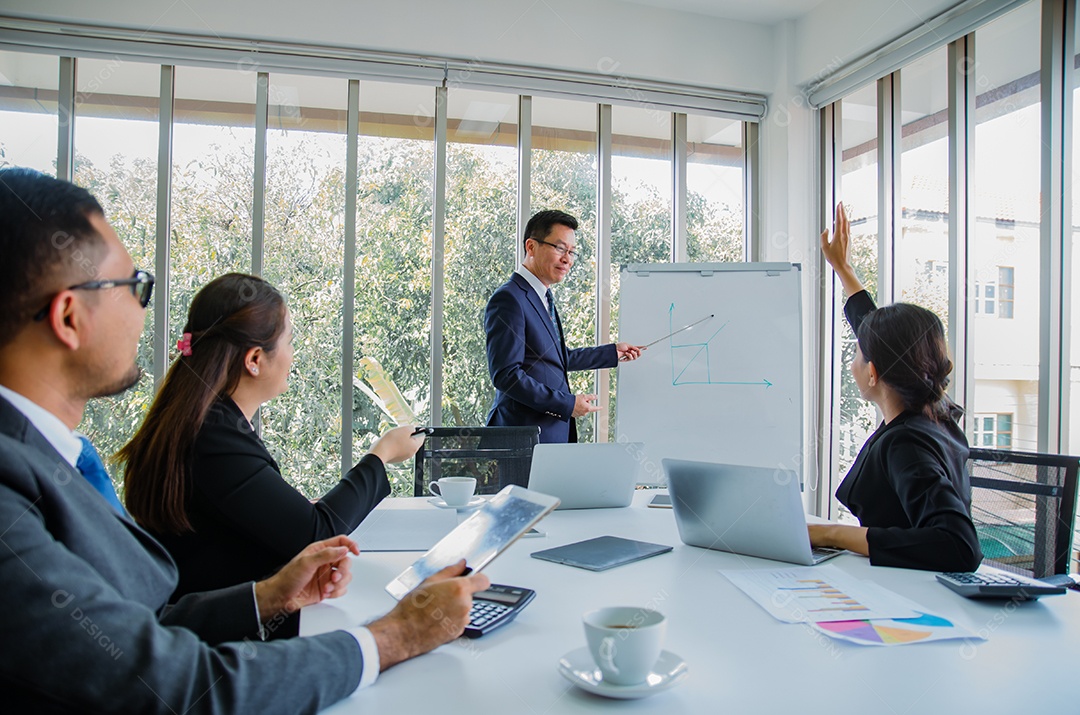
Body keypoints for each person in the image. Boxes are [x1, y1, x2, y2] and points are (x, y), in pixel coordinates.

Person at [0, 167, 489, 713]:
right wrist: (394, 637)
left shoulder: (55, 458)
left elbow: (145, 625)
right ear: (69, 316)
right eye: (134, 286)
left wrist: (267, 597)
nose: (143, 313)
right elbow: (173, 683)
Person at [119, 273, 422, 626]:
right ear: (255, 359)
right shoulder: (214, 435)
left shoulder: (207, 420)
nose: (292, 355)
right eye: (289, 341)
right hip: (220, 639)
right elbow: (316, 533)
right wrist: (381, 454)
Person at [810, 202, 982, 572]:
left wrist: (830, 534)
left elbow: (959, 546)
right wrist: (844, 269)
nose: (851, 361)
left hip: (909, 601)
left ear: (872, 373)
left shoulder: (905, 444)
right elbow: (883, 337)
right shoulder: (934, 407)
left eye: (856, 354)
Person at [485, 210, 645, 443]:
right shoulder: (509, 299)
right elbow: (507, 375)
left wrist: (611, 353)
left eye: (571, 252)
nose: (567, 259)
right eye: (560, 248)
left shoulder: (543, 296)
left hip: (547, 436)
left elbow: (553, 359)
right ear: (531, 247)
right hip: (522, 437)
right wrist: (567, 404)